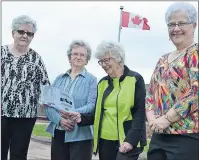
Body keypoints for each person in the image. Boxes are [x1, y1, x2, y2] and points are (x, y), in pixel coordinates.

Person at [63, 41, 147, 160]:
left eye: (106, 60)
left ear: (118, 58)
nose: (103, 64)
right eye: (101, 61)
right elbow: (97, 113)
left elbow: (140, 113)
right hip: (105, 140)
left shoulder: (135, 79)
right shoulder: (102, 83)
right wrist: (81, 117)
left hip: (127, 139)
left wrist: (130, 141)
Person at [145, 2, 198, 160]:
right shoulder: (162, 59)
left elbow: (196, 92)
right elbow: (150, 93)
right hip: (159, 136)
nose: (176, 28)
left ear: (194, 25)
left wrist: (166, 119)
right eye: (171, 24)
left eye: (182, 23)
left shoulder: (195, 53)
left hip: (187, 136)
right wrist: (153, 120)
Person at [1, 15, 50, 160]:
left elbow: (45, 86)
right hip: (1, 115)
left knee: (19, 155)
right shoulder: (1, 53)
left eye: (29, 33)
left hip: (25, 117)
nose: (25, 36)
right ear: (13, 33)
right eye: (21, 32)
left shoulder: (36, 59)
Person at [44, 40, 97, 160]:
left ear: (87, 59)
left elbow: (91, 105)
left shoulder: (92, 80)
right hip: (58, 131)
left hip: (81, 135)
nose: (78, 57)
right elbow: (48, 105)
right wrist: (60, 120)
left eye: (82, 55)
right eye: (75, 54)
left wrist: (72, 114)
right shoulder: (58, 79)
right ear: (70, 57)